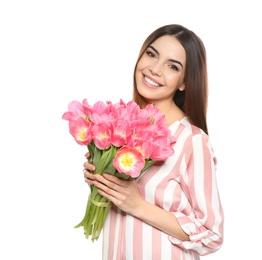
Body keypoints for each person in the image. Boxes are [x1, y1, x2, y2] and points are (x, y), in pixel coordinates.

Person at [83, 24, 224, 259]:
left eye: (172, 66)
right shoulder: (121, 127)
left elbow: (212, 233)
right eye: (151, 54)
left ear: (184, 82)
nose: (155, 69)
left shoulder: (192, 141)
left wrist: (138, 205)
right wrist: (100, 180)